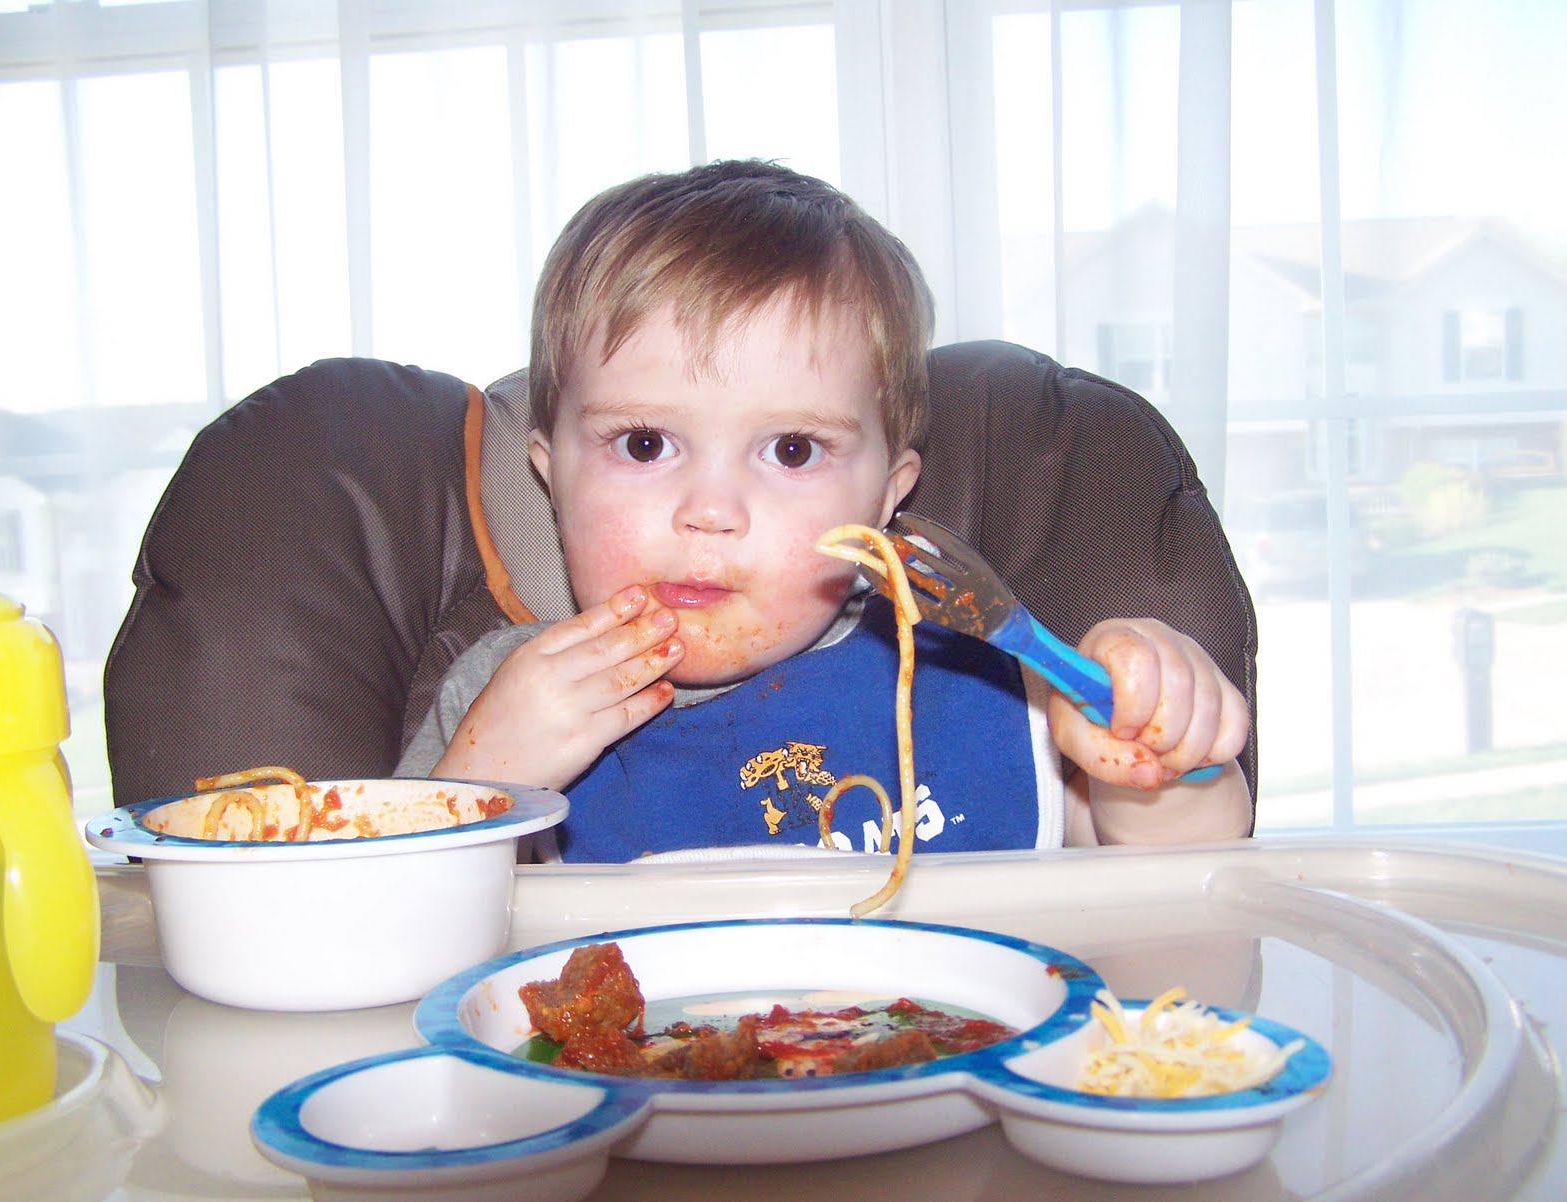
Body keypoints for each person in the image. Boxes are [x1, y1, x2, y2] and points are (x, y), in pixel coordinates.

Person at [397, 158, 1252, 860]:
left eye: (793, 451)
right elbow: (383, 943)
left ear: (886, 495)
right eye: (646, 444)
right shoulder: (501, 702)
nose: (710, 512)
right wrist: (483, 788)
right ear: (552, 476)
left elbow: (1185, 882)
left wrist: (1157, 755)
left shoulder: (983, 673)